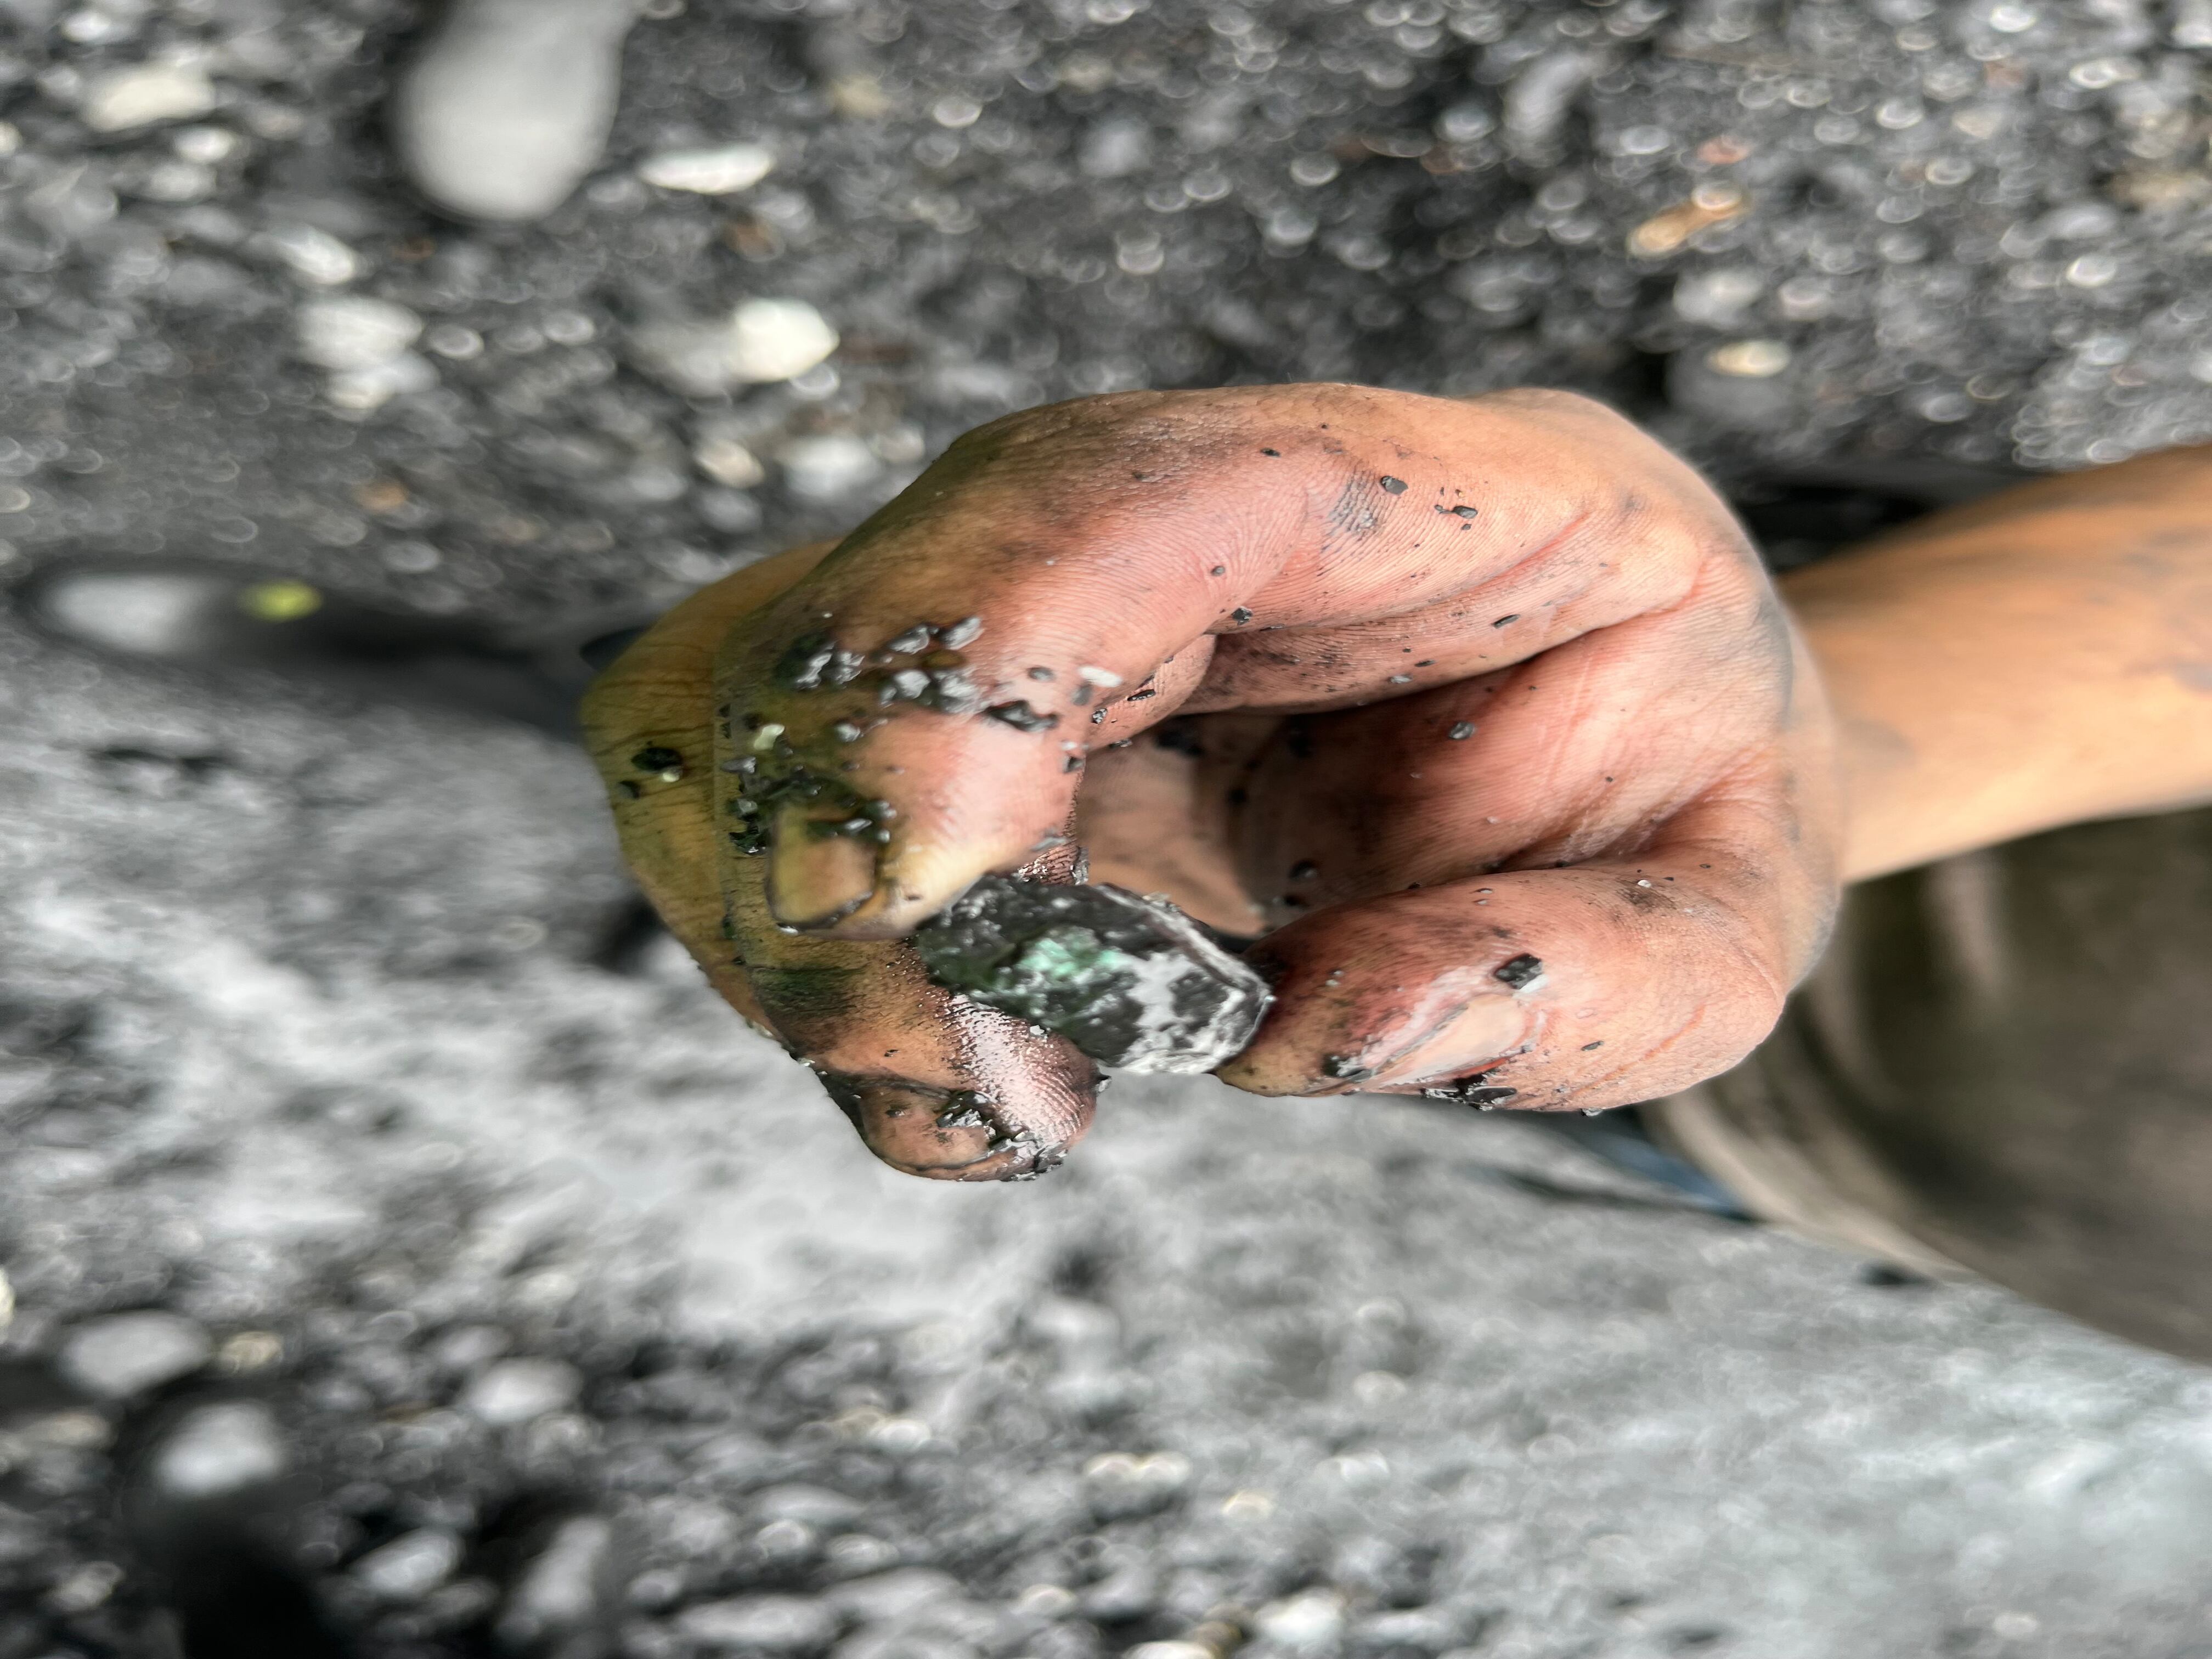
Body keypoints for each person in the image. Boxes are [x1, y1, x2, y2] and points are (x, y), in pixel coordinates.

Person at [580, 385, 2212, 1364]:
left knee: (1456, 1039)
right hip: (1717, 863)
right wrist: (1774, 768)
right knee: (837, 749)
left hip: (1836, 1150)